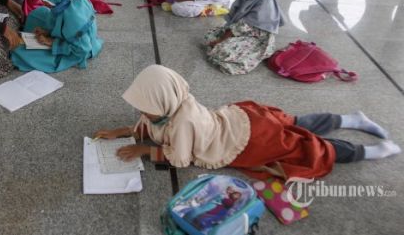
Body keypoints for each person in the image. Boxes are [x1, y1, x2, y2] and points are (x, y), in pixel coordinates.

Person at [94, 65, 401, 180]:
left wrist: (145, 152)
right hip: (242, 119)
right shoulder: (174, 102)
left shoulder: (183, 122)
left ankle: (372, 151)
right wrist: (124, 131)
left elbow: (181, 158)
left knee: (306, 149)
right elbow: (151, 124)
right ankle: (350, 118)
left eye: (145, 108)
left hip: (249, 141)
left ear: (162, 102)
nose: (142, 115)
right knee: (294, 122)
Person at [11, 0, 103, 72]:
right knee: (37, 14)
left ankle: (54, 51)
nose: (41, 1)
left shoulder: (74, 18)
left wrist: (52, 43)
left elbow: (82, 49)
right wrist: (47, 31)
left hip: (77, 47)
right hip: (68, 29)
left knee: (19, 52)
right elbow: (54, 15)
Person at [202, 0, 283, 75]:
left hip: (255, 38)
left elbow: (242, 27)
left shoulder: (264, 4)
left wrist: (221, 40)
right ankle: (220, 46)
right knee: (209, 37)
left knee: (223, 50)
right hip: (239, 31)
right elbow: (237, 17)